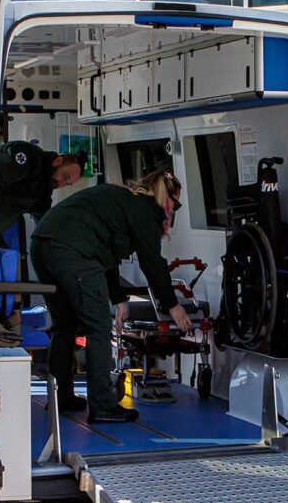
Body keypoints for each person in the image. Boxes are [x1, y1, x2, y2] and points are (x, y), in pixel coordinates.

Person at [31, 171, 193, 423]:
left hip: (43, 244)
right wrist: (173, 306)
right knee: (99, 328)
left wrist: (119, 299)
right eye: (176, 204)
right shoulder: (146, 210)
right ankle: (103, 406)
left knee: (66, 325)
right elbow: (152, 263)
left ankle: (61, 396)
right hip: (73, 249)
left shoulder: (123, 200)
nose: (173, 211)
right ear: (166, 197)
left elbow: (105, 254)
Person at [0, 140, 86, 235]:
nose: (61, 184)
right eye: (65, 177)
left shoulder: (43, 196)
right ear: (58, 161)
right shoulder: (28, 154)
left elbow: (46, 226)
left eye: (66, 184)